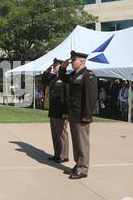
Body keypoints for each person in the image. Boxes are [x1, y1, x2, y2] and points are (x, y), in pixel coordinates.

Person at [59, 51, 98, 180]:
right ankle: (78, 164)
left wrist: (87, 115)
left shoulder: (88, 75)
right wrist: (63, 68)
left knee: (82, 143)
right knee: (76, 142)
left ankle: (83, 168)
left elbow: (90, 97)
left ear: (81, 61)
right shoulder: (75, 75)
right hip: (73, 114)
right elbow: (64, 78)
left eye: (73, 60)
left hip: (82, 115)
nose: (71, 62)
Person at [42, 58, 69, 163]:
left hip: (61, 111)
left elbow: (66, 96)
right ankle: (57, 154)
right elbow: (44, 81)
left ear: (61, 66)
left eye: (55, 66)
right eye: (53, 66)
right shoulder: (53, 78)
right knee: (55, 134)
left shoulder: (65, 79)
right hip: (53, 110)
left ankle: (64, 155)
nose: (53, 67)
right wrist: (46, 72)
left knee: (62, 134)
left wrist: (66, 111)